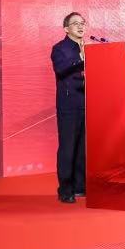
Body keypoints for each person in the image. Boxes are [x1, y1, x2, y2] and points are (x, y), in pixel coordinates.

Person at [51, 12, 87, 203]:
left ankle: (80, 186)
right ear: (66, 29)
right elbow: (61, 68)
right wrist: (80, 57)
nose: (80, 26)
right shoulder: (59, 48)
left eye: (82, 23)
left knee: (83, 148)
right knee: (68, 147)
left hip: (87, 103)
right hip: (69, 105)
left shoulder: (89, 46)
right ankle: (65, 189)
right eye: (75, 23)